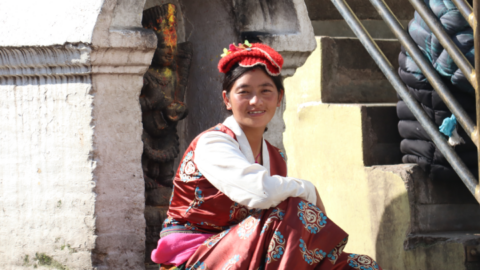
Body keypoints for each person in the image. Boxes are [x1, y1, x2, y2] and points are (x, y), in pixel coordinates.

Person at [151, 41, 382, 270]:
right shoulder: (213, 143)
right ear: (227, 99)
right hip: (193, 259)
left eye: (265, 91)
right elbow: (260, 193)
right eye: (244, 92)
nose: (256, 101)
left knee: (360, 266)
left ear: (279, 98)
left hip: (249, 254)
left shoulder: (275, 155)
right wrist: (307, 189)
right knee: (295, 210)